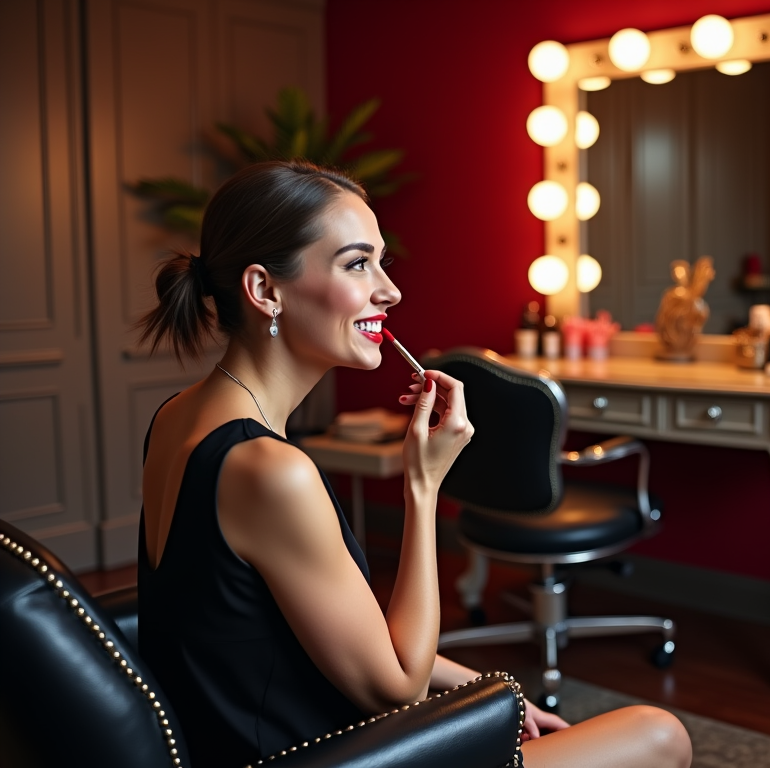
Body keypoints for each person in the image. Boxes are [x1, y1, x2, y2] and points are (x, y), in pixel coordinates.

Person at [137, 160, 692, 768]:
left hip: (262, 740)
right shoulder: (270, 471)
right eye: (356, 264)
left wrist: (485, 688)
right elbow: (396, 685)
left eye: (382, 262)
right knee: (659, 735)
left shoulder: (178, 417)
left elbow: (304, 631)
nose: (389, 291)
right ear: (266, 290)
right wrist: (423, 487)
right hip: (327, 753)